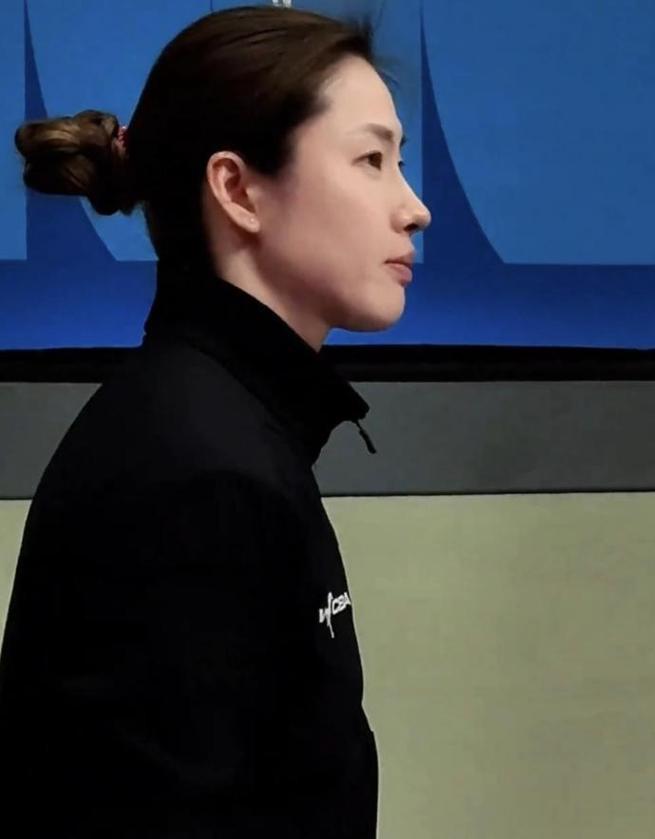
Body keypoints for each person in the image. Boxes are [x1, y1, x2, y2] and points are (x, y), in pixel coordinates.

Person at [0, 5, 431, 837]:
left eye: (399, 162)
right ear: (237, 189)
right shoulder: (195, 469)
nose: (413, 208)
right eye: (371, 160)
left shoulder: (231, 428)